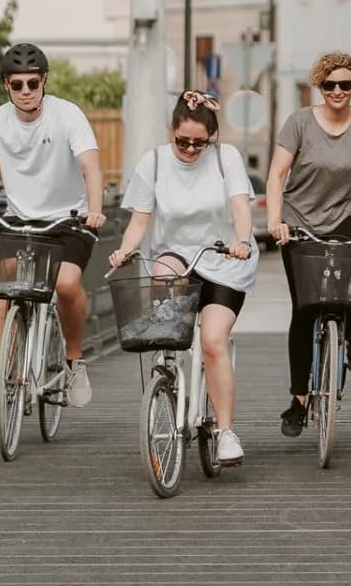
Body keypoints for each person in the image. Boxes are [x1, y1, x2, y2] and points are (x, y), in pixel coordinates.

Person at [109, 91, 256, 464]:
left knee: (211, 341)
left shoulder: (227, 159)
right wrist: (125, 250)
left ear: (212, 137)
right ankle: (168, 374)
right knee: (163, 292)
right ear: (171, 131)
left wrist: (241, 240)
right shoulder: (154, 163)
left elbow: (240, 206)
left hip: (223, 258)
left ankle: (225, 432)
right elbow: (140, 220)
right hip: (176, 253)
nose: (190, 150)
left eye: (199, 143)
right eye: (182, 141)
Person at [0, 43, 106, 405]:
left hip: (68, 219)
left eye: (33, 83)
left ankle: (74, 362)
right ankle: (2, 366)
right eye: (18, 85)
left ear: (43, 82)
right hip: (20, 219)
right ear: (6, 86)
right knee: (2, 281)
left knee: (68, 283)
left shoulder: (68, 115)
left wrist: (95, 209)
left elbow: (91, 167)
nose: (26, 91)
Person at [265, 51, 351, 438]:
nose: (337, 91)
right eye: (329, 85)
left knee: (348, 291)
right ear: (318, 87)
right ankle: (299, 399)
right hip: (299, 221)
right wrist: (275, 221)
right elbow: (276, 175)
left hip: (347, 217)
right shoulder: (299, 123)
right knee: (305, 309)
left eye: (345, 84)